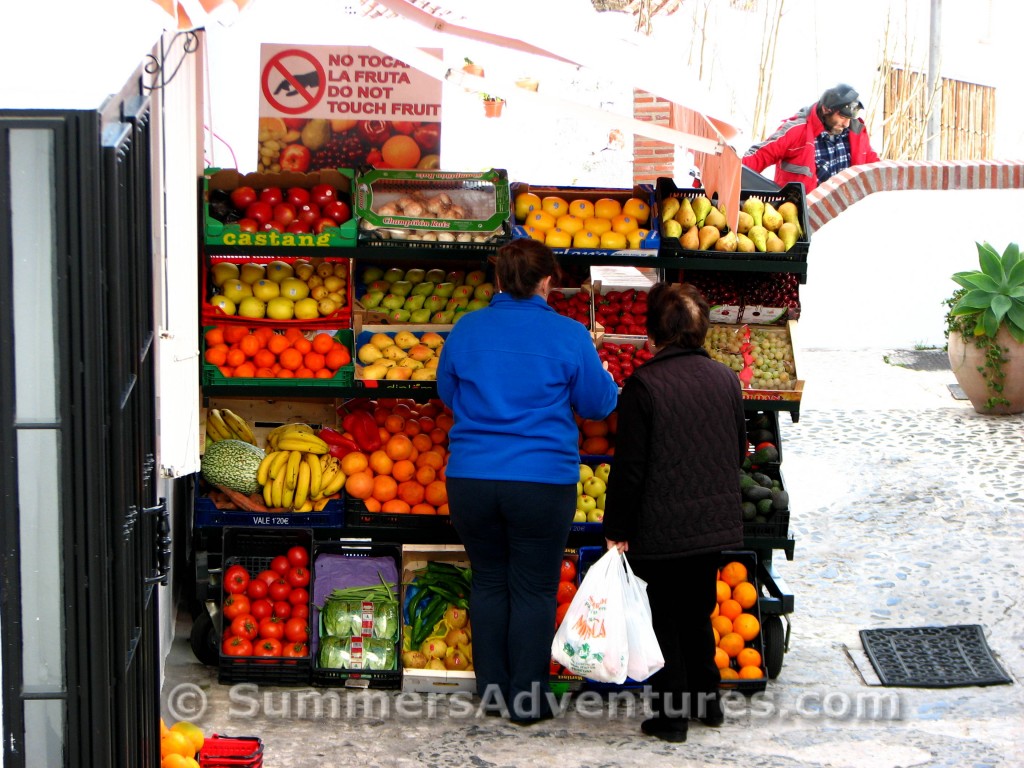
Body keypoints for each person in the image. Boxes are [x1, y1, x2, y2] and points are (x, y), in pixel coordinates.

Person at [436, 238, 619, 724]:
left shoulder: (467, 329)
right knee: (535, 589)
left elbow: (448, 393)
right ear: (547, 281)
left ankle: (492, 692)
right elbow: (600, 405)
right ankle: (526, 699)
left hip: (471, 477)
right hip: (541, 480)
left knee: (490, 580)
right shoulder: (569, 334)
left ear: (498, 280)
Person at [602, 282, 746, 743]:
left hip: (660, 526)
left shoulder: (644, 386)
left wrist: (617, 528)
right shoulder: (726, 379)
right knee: (698, 613)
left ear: (653, 334)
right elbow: (737, 450)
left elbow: (630, 468)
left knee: (664, 619)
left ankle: (671, 717)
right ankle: (709, 704)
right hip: (709, 523)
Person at [742, 83, 880, 193]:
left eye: (850, 118)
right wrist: (732, 171)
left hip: (843, 218)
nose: (847, 124)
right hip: (802, 217)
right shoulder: (797, 131)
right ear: (826, 110)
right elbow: (759, 156)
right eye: (843, 117)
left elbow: (875, 167)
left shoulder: (856, 133)